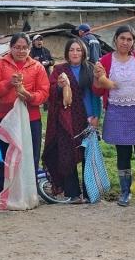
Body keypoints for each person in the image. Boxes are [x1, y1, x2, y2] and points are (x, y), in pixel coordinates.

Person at [93, 25, 135, 207]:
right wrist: (97, 77)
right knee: (123, 154)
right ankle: (125, 192)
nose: (125, 42)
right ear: (115, 39)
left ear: (133, 42)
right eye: (122, 38)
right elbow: (97, 91)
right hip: (118, 112)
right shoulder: (105, 60)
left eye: (129, 39)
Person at [0, 33, 50, 195]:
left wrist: (29, 96)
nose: (21, 51)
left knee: (30, 156)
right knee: (3, 156)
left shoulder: (37, 67)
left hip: (31, 118)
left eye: (25, 48)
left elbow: (44, 92)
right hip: (6, 117)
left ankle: (28, 192)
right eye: (17, 47)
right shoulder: (0, 64)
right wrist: (9, 83)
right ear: (11, 47)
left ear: (29, 49)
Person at [42, 38, 101, 203]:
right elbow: (50, 91)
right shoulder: (59, 70)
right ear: (67, 53)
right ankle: (73, 193)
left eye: (78, 50)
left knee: (88, 155)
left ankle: (90, 193)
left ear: (83, 52)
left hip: (87, 118)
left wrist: (96, 116)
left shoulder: (90, 69)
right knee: (67, 154)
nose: (75, 53)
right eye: (71, 50)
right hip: (66, 120)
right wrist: (59, 86)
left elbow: (96, 95)